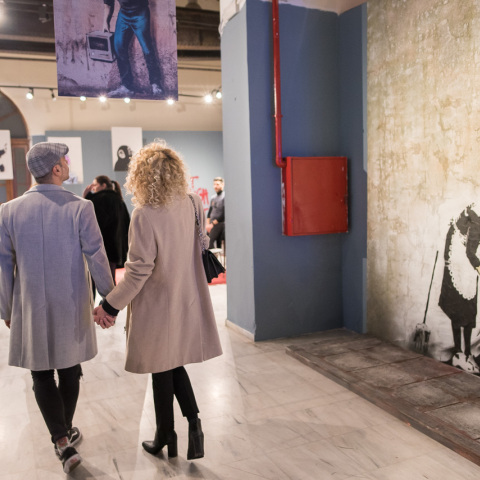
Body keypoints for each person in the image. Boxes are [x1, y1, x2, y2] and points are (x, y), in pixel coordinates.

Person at [93, 140, 222, 460]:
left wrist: (109, 305)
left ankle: (168, 433)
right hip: (187, 297)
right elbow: (202, 244)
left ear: (141, 176)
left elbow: (139, 271)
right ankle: (187, 427)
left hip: (157, 305)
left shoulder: (145, 214)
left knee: (162, 365)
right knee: (170, 364)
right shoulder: (193, 202)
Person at [0, 142, 115, 473]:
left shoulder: (8, 210)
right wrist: (110, 300)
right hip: (71, 302)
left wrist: (7, 308)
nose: (67, 163)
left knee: (40, 372)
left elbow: (3, 265)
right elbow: (96, 255)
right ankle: (63, 434)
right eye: (64, 160)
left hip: (29, 303)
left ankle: (62, 440)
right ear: (56, 169)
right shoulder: (80, 207)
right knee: (69, 368)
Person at [439, 203, 480, 374]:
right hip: (460, 271)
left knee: (463, 314)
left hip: (456, 268)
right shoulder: (476, 224)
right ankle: (460, 354)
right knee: (463, 312)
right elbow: (470, 254)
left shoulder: (466, 218)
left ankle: (464, 353)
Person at [103, 0, 163, 98]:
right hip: (124, 15)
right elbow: (108, 4)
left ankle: (155, 84)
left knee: (147, 49)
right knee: (119, 47)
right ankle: (126, 86)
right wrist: (106, 22)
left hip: (140, 13)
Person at [83, 175, 130, 285]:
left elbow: (89, 223)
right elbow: (127, 224)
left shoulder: (97, 200)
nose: (93, 187)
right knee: (110, 282)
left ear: (103, 185)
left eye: (95, 185)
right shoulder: (119, 200)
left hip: (99, 248)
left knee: (92, 281)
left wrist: (86, 196)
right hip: (114, 249)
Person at [206, 177, 225, 250]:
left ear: (222, 185)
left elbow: (224, 214)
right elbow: (210, 211)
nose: (215, 186)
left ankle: (214, 257)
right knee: (205, 241)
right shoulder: (213, 197)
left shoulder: (224, 197)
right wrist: (208, 224)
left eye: (217, 184)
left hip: (219, 224)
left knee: (209, 242)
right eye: (214, 184)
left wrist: (212, 224)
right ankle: (215, 256)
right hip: (211, 225)